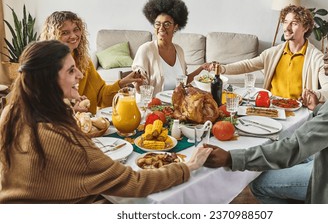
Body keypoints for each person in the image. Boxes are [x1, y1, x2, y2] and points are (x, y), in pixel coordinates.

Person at [0, 40, 212, 203]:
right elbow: (133, 182)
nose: (81, 75)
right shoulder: (60, 136)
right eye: (71, 70)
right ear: (48, 79)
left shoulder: (11, 114)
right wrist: (188, 166)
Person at [204, 29, 328, 203]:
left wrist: (231, 158)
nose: (325, 57)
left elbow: (294, 148)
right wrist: (317, 109)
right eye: (326, 51)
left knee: (259, 181)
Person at [209, 5, 328, 102]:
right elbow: (248, 65)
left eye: (294, 24)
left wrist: (315, 94)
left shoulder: (316, 58)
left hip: (299, 110)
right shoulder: (273, 53)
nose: (287, 28)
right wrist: (222, 69)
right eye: (285, 22)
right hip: (271, 106)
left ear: (306, 28)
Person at [40, 11, 144, 114]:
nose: (73, 36)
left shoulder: (84, 60)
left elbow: (101, 95)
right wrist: (71, 111)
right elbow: (41, 111)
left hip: (90, 125)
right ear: (53, 36)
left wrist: (123, 82)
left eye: (76, 30)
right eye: (65, 32)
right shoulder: (43, 68)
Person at [132, 0, 208, 95]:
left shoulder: (179, 50)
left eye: (167, 24)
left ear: (175, 27)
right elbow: (140, 89)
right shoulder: (146, 50)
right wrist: (138, 83)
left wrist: (201, 68)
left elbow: (183, 82)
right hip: (156, 105)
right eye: (157, 24)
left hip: (178, 104)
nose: (161, 28)